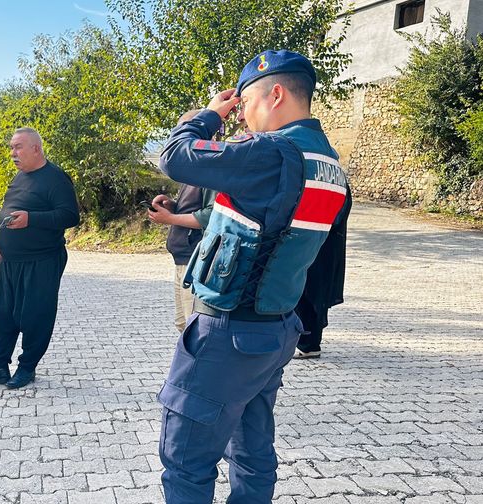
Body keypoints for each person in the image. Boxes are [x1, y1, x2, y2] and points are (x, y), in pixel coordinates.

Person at [156, 50, 350, 503]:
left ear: (276, 93)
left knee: (186, 459)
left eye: (243, 103)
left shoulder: (272, 151)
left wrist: (204, 116)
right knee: (252, 451)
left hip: (228, 330)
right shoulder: (328, 162)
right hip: (274, 327)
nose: (240, 114)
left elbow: (175, 156)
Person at [0, 127, 79, 389]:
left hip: (42, 260)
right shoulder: (19, 177)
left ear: (36, 149)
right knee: (4, 315)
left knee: (34, 316)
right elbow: (8, 211)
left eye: (18, 147)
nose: (12, 153)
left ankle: (27, 367)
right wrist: (2, 248)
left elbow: (70, 216)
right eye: (11, 148)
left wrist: (32, 219)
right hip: (10, 261)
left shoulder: (56, 178)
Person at [147, 184, 216, 333]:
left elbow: (212, 215)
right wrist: (172, 206)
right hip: (181, 260)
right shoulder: (193, 173)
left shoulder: (209, 173)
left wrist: (171, 218)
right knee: (183, 324)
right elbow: (193, 209)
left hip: (195, 263)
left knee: (194, 330)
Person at [293, 187, 352, 358]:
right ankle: (309, 342)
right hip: (328, 240)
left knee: (308, 290)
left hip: (314, 240)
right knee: (315, 291)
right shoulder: (335, 175)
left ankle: (308, 343)